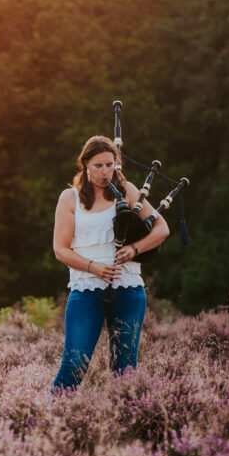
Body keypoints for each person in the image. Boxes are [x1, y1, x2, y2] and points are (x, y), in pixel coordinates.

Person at [50, 135, 170, 392]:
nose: (105, 171)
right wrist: (94, 267)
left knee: (124, 369)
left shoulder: (127, 191)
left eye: (110, 165)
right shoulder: (69, 198)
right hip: (86, 290)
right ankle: (46, 422)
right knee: (74, 365)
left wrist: (134, 248)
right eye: (98, 165)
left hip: (128, 289)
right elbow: (60, 250)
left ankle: (125, 425)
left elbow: (162, 228)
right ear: (85, 164)